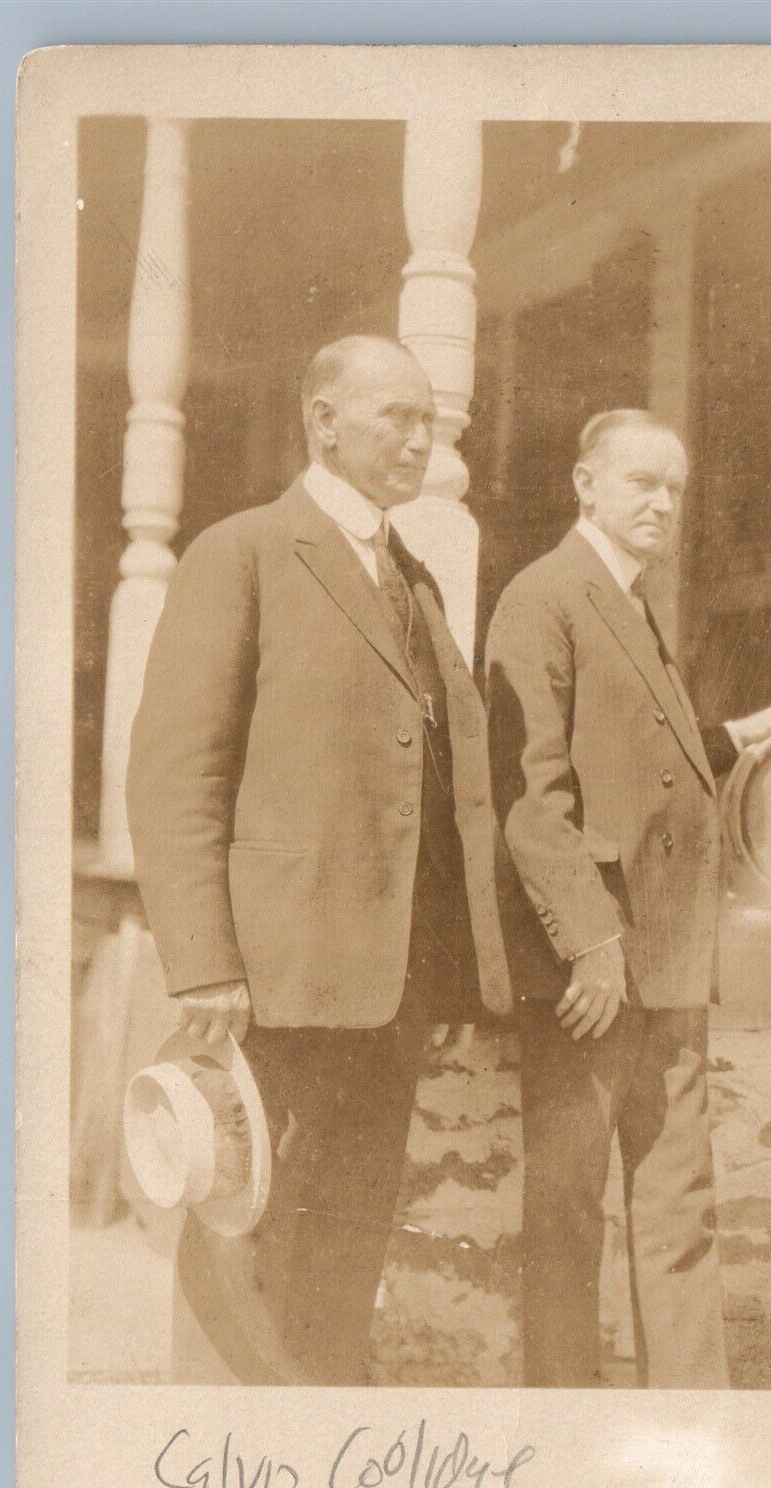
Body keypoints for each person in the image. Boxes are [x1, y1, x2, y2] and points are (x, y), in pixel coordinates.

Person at [127, 335, 510, 1384]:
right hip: (271, 979)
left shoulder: (410, 577)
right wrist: (203, 960)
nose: (419, 439)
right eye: (395, 416)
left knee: (346, 1229)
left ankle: (316, 1450)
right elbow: (174, 773)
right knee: (244, 1221)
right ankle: (213, 1462)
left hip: (388, 983)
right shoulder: (242, 551)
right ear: (322, 420)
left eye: (427, 420)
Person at [485, 408, 771, 1388]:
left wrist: (738, 732)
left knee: (679, 1212)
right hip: (594, 972)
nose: (661, 504)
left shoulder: (629, 603)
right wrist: (590, 945)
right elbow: (529, 797)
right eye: (640, 482)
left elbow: (643, 766)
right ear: (584, 482)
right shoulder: (543, 596)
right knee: (565, 1213)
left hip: (668, 964)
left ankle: (689, 1434)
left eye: (672, 488)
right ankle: (560, 1425)